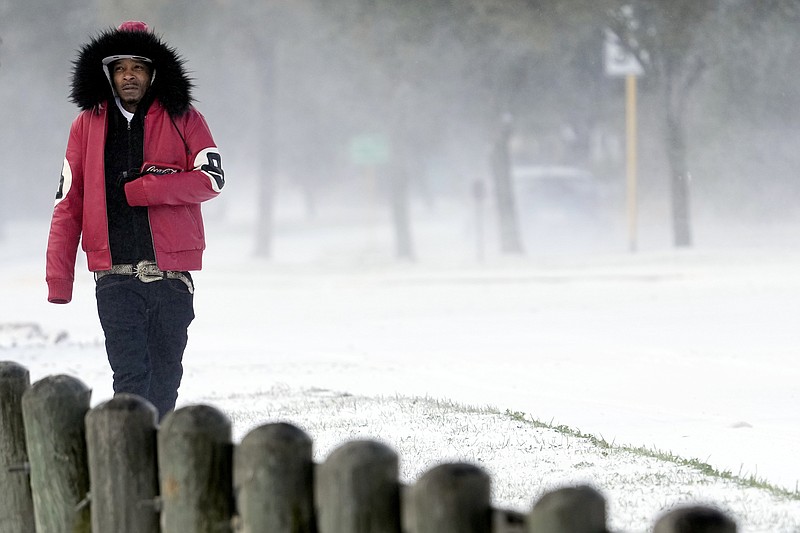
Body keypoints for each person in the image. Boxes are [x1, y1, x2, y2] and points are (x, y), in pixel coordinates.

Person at [45, 21, 225, 420]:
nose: (129, 75)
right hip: (114, 278)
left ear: (153, 72)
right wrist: (59, 279)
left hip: (172, 279)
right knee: (129, 381)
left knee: (165, 381)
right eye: (120, 67)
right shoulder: (85, 126)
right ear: (108, 74)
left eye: (138, 67)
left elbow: (212, 180)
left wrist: (148, 190)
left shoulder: (185, 118)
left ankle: (156, 469)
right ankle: (129, 471)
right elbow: (67, 204)